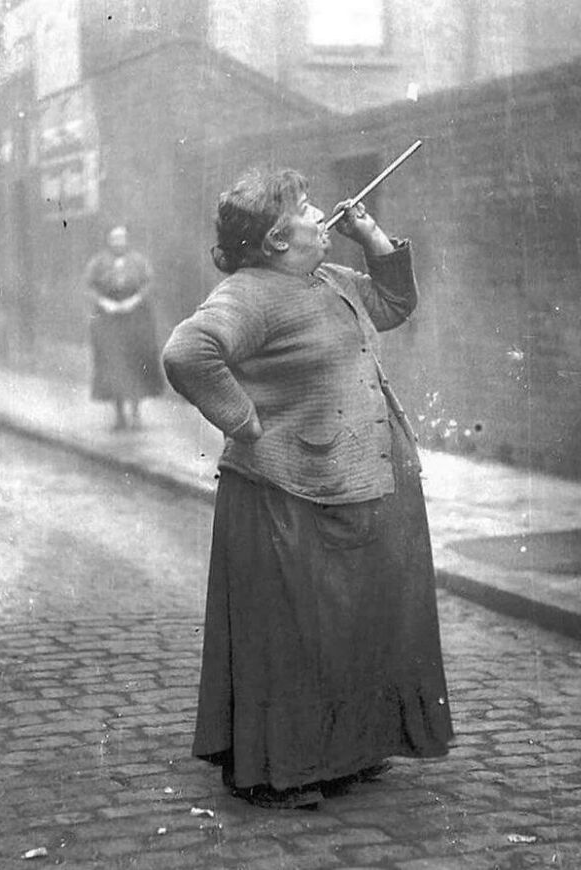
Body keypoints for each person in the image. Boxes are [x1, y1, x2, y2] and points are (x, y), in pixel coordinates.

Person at [162, 168, 454, 809]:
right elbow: (188, 353)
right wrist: (245, 421)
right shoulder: (250, 295)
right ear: (273, 238)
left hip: (359, 477)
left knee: (354, 623)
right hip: (286, 492)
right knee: (295, 634)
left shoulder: (328, 277)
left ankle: (346, 753)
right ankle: (280, 771)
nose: (323, 213)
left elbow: (396, 306)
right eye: (306, 208)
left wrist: (369, 234)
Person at [85, 225, 164, 430]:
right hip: (109, 320)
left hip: (135, 318)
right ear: (108, 240)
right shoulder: (98, 262)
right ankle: (119, 416)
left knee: (136, 362)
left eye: (121, 238)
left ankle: (136, 414)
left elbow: (149, 283)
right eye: (114, 238)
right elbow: (89, 286)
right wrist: (104, 303)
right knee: (113, 365)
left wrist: (135, 300)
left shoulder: (138, 261)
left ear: (127, 240)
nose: (118, 242)